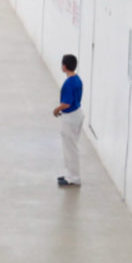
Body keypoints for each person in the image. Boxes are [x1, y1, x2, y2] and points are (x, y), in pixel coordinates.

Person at [54, 54, 83, 187]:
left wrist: (56, 109)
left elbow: (66, 103)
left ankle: (73, 177)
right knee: (71, 147)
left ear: (64, 66)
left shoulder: (68, 83)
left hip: (70, 117)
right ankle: (70, 175)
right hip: (77, 114)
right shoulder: (77, 79)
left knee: (70, 148)